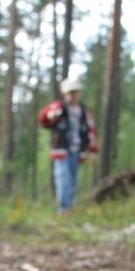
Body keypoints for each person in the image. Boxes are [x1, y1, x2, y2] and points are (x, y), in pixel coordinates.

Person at [38, 78, 98, 213]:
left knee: (73, 180)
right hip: (61, 150)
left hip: (77, 151)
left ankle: (69, 206)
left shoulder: (84, 112)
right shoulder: (59, 107)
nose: (73, 95)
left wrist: (93, 151)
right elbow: (43, 119)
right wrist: (51, 116)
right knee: (62, 178)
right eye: (70, 92)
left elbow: (91, 131)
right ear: (65, 93)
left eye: (75, 92)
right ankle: (63, 209)